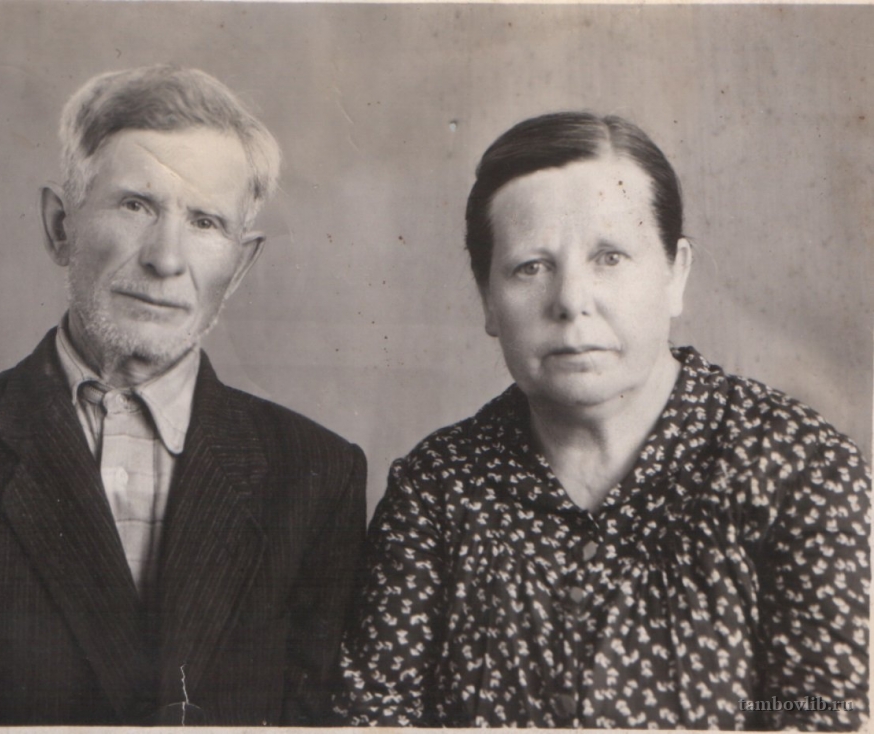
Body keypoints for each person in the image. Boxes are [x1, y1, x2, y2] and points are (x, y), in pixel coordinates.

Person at [0, 65, 366, 726]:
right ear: (60, 226)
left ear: (239, 265)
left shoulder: (317, 476)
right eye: (136, 206)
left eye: (205, 221)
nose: (166, 259)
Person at [336, 112, 869, 729]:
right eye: (531, 267)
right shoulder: (437, 487)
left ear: (676, 273)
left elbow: (824, 715)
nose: (570, 300)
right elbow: (373, 716)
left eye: (609, 257)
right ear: (487, 299)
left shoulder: (800, 470)